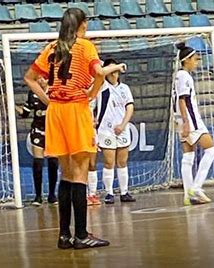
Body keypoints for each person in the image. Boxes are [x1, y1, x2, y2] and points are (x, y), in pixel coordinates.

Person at [24, 7, 126, 249]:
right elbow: (99, 72)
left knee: (66, 174)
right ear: (83, 24)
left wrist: (49, 100)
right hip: (75, 108)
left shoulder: (51, 47)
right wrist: (95, 89)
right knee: (80, 172)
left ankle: (63, 236)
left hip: (56, 112)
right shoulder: (85, 45)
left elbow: (29, 77)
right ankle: (81, 234)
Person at [173, 43, 214, 206]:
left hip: (181, 119)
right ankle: (196, 188)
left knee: (188, 156)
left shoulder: (177, 76)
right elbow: (182, 99)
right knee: (211, 150)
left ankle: (187, 195)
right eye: (195, 59)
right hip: (190, 120)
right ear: (187, 60)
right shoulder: (184, 76)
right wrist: (186, 122)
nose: (197, 62)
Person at [92, 58, 136, 204]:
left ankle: (124, 192)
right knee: (109, 162)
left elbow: (129, 107)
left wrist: (123, 125)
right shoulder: (101, 86)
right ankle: (109, 193)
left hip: (122, 129)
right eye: (111, 70)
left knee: (122, 161)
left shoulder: (125, 88)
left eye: (115, 70)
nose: (113, 73)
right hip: (106, 130)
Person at [16, 78, 58, 206]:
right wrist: (13, 106)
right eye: (38, 78)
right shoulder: (32, 93)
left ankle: (52, 195)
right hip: (38, 130)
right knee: (38, 163)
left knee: (53, 162)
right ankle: (38, 196)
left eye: (43, 78)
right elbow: (25, 113)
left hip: (54, 131)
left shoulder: (55, 92)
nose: (40, 80)